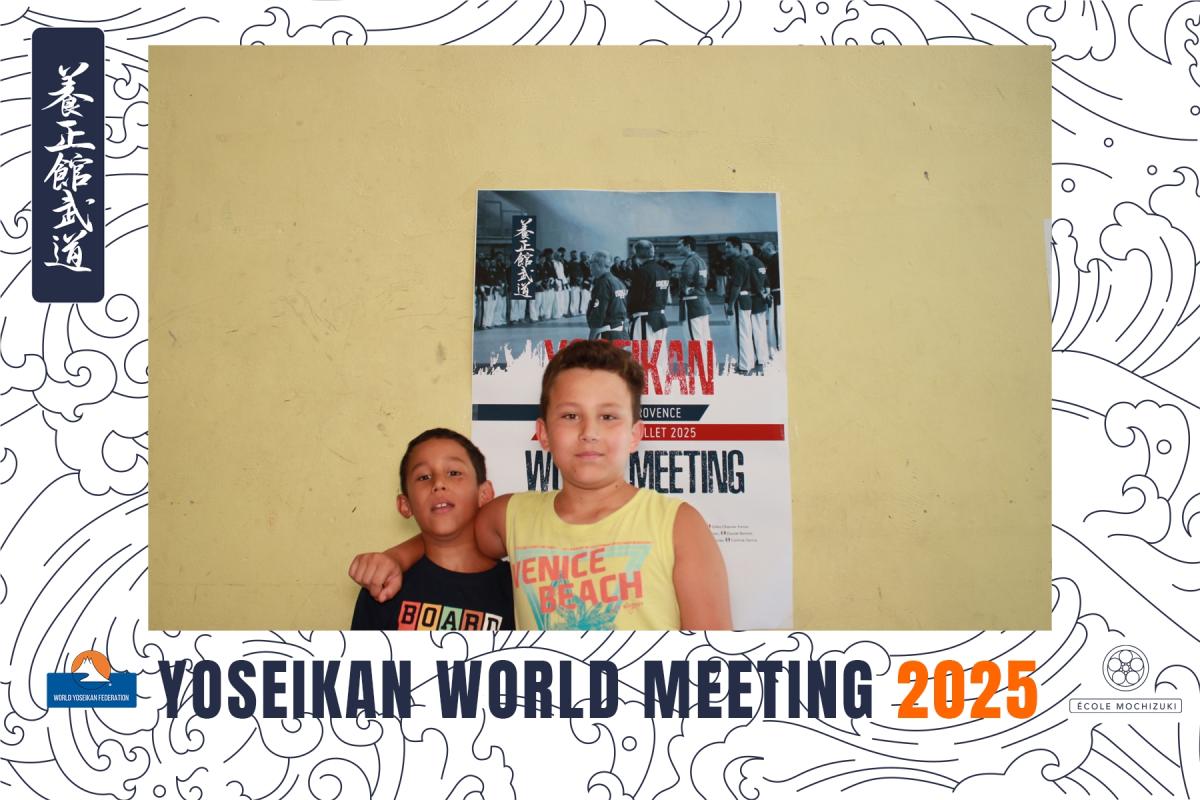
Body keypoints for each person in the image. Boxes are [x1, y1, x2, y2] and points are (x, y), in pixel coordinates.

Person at [349, 342, 732, 631]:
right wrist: (396, 558)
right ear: (543, 433)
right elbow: (446, 529)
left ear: (635, 435)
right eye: (570, 415)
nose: (589, 432)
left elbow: (710, 664)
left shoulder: (679, 525)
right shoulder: (509, 516)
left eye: (608, 416)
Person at [348, 429, 514, 630]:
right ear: (405, 505)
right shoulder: (383, 584)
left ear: (484, 493)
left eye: (454, 473)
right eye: (423, 477)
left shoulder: (519, 589)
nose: (438, 483)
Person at [626, 239, 670, 348]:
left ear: (637, 253)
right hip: (660, 318)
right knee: (659, 355)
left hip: (645, 320)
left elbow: (636, 299)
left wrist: (629, 314)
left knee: (642, 355)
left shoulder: (642, 272)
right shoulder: (662, 270)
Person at [723, 236, 755, 374]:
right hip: (744, 299)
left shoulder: (738, 263)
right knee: (745, 333)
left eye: (728, 247)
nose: (726, 249)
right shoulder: (740, 262)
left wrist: (730, 305)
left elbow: (737, 286)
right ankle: (748, 363)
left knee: (740, 334)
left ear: (737, 247)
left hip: (739, 301)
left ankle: (743, 366)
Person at [586, 250, 628, 341]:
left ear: (598, 264)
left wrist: (591, 339)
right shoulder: (618, 282)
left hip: (607, 335)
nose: (589, 266)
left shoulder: (602, 283)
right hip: (621, 334)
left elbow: (598, 315)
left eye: (590, 262)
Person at [677, 236, 711, 342]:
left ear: (688, 246)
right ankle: (709, 355)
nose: (677, 248)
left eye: (679, 245)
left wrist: (684, 289)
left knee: (694, 339)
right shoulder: (701, 260)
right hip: (702, 301)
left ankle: (698, 355)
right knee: (706, 338)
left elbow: (685, 281)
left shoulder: (689, 262)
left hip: (692, 304)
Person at [743, 242, 770, 371]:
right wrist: (764, 294)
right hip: (761, 301)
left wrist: (759, 292)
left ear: (745, 251)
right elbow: (766, 280)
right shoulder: (759, 262)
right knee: (761, 330)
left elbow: (755, 282)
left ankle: (758, 358)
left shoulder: (749, 263)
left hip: (754, 300)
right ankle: (763, 357)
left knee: (754, 331)